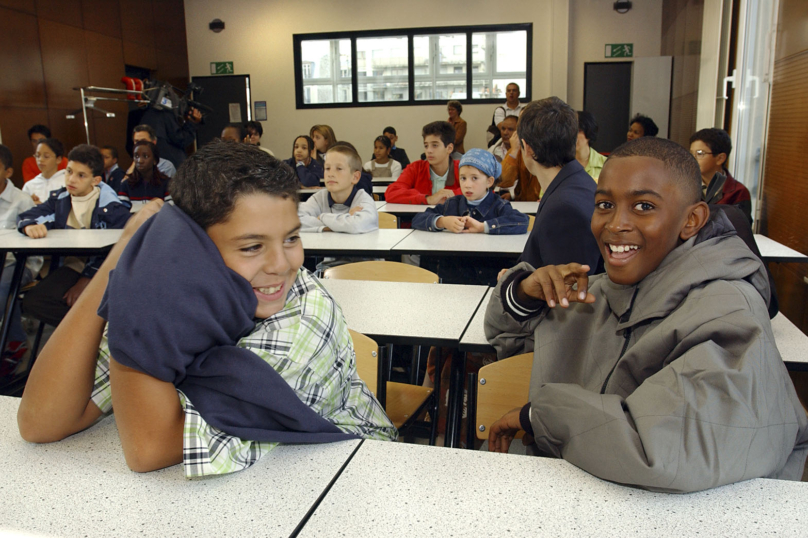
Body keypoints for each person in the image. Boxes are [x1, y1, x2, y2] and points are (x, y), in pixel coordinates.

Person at [17, 141, 396, 477]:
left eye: (292, 237)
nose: (281, 264)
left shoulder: (304, 318)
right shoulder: (180, 292)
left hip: (350, 478)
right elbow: (40, 422)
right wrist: (123, 257)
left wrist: (133, 288)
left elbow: (149, 448)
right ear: (188, 247)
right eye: (251, 247)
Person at [484, 136, 808, 493]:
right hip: (591, 492)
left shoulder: (729, 312)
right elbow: (510, 345)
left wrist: (538, 415)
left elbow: (663, 451)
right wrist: (523, 293)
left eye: (643, 207)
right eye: (604, 204)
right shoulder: (599, 292)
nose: (615, 224)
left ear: (692, 219)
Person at [17, 145, 131, 327]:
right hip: (72, 266)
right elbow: (27, 216)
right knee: (33, 302)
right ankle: (90, 331)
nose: (71, 179)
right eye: (69, 171)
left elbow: (119, 252)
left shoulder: (112, 209)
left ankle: (96, 332)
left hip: (104, 270)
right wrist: (29, 226)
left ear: (96, 180)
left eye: (81, 175)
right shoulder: (60, 199)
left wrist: (86, 279)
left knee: (82, 300)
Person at [413, 148, 528, 284]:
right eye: (463, 178)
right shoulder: (452, 204)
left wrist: (483, 227)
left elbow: (522, 221)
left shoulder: (499, 206)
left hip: (487, 278)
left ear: (489, 182)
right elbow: (417, 219)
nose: (467, 185)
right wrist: (442, 221)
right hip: (453, 278)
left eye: (475, 178)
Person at [512, 97, 601, 272]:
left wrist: (518, 284)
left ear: (527, 148)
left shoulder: (564, 209)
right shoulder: (575, 182)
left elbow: (563, 291)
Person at [0, 145, 42, 376]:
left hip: (19, 262)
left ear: (7, 172)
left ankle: (15, 342)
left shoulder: (21, 200)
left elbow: (34, 244)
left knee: (3, 287)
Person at [299, 144, 378, 234]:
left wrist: (322, 217)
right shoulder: (319, 198)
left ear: (355, 177)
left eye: (339, 168)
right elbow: (294, 220)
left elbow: (356, 225)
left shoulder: (363, 200)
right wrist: (346, 219)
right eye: (327, 168)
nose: (330, 174)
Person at [384, 121, 462, 205]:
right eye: (426, 146)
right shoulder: (415, 168)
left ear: (449, 148)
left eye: (435, 145)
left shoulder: (462, 168)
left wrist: (453, 195)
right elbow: (391, 192)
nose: (429, 151)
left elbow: (476, 190)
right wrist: (428, 199)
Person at [689, 128, 752, 224]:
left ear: (720, 158)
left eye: (700, 153)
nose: (692, 159)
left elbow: (741, 229)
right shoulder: (685, 186)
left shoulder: (738, 192)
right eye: (691, 153)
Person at [139, 104, 201, 169]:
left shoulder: (144, 117)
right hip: (171, 165)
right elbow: (180, 138)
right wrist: (192, 124)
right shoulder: (165, 114)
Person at [118, 140, 172, 208]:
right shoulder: (126, 185)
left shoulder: (166, 183)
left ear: (155, 160)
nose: (140, 161)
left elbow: (170, 211)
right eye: (136, 156)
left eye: (145, 156)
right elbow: (122, 212)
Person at [498, 130, 541, 202]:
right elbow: (502, 181)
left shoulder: (555, 150)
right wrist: (514, 151)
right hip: (524, 205)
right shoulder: (519, 150)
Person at [22, 138, 66, 204]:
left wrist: (41, 206)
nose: (40, 160)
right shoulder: (29, 186)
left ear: (58, 159)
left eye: (46, 156)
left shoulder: (67, 182)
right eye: (37, 156)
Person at [488, 83, 526, 147]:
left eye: (514, 90)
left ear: (519, 93)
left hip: (522, 143)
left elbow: (527, 128)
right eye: (509, 91)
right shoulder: (500, 110)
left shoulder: (525, 109)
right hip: (503, 144)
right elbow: (503, 128)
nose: (511, 93)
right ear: (506, 94)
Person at [576, 111, 606, 181]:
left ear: (589, 133)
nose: (572, 136)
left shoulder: (606, 165)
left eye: (578, 131)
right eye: (570, 131)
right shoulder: (560, 164)